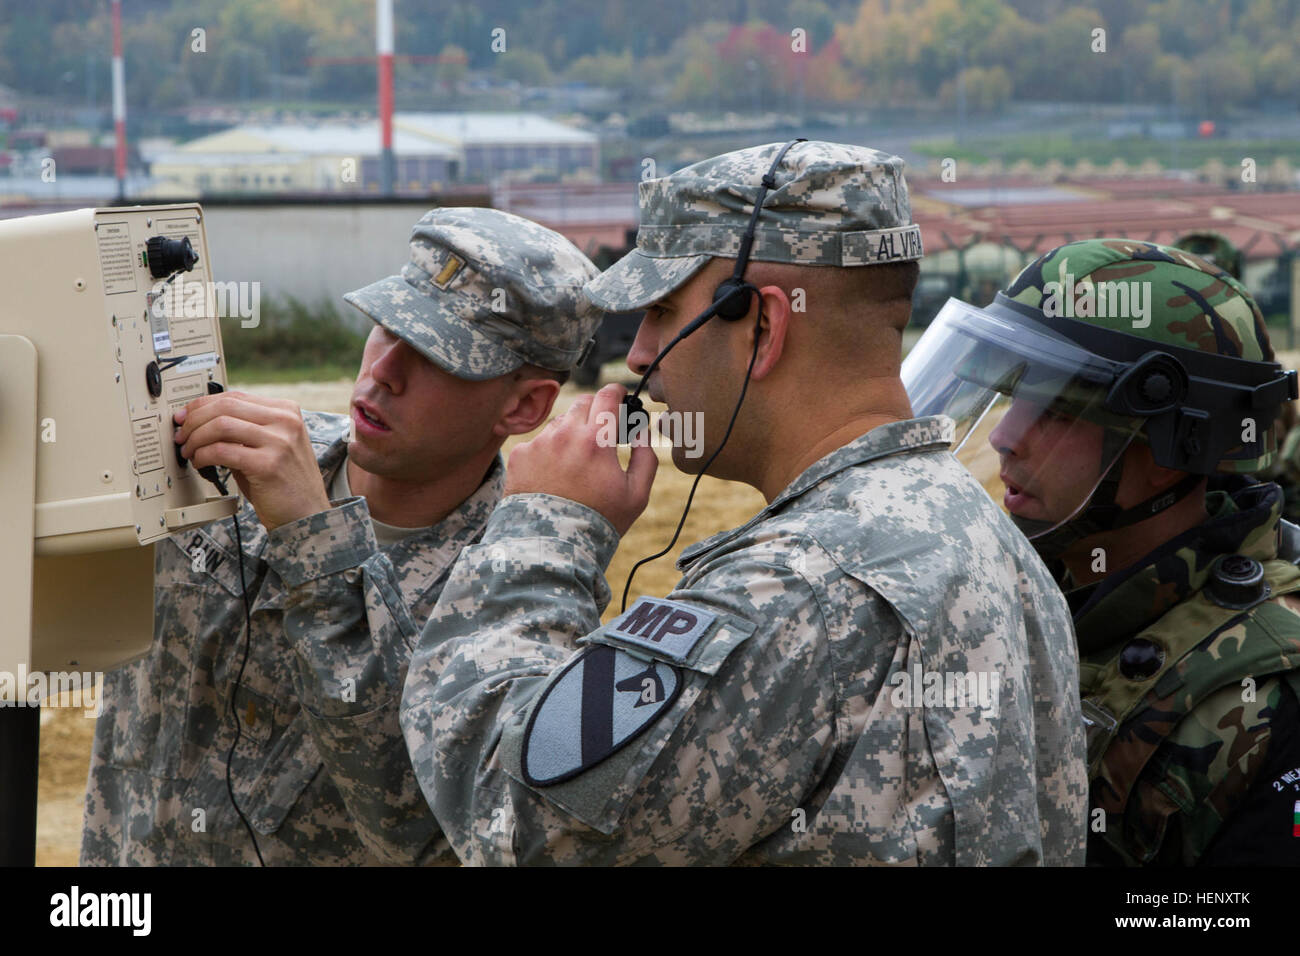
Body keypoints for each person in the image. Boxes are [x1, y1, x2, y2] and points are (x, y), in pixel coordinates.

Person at [280, 140, 1088, 865]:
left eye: (663, 313)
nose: (637, 356)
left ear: (762, 325)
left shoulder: (798, 591)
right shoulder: (984, 533)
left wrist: (544, 526)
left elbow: (509, 814)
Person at [80, 207, 600, 865]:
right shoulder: (221, 458)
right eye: (388, 327)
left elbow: (430, 824)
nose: (384, 371)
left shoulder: (518, 598)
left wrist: (316, 539)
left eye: (436, 355)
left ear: (524, 405)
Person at [905, 238, 1300, 865]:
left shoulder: (1263, 697)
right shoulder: (1016, 597)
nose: (1005, 437)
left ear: (1169, 453)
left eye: (1057, 411)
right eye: (1011, 397)